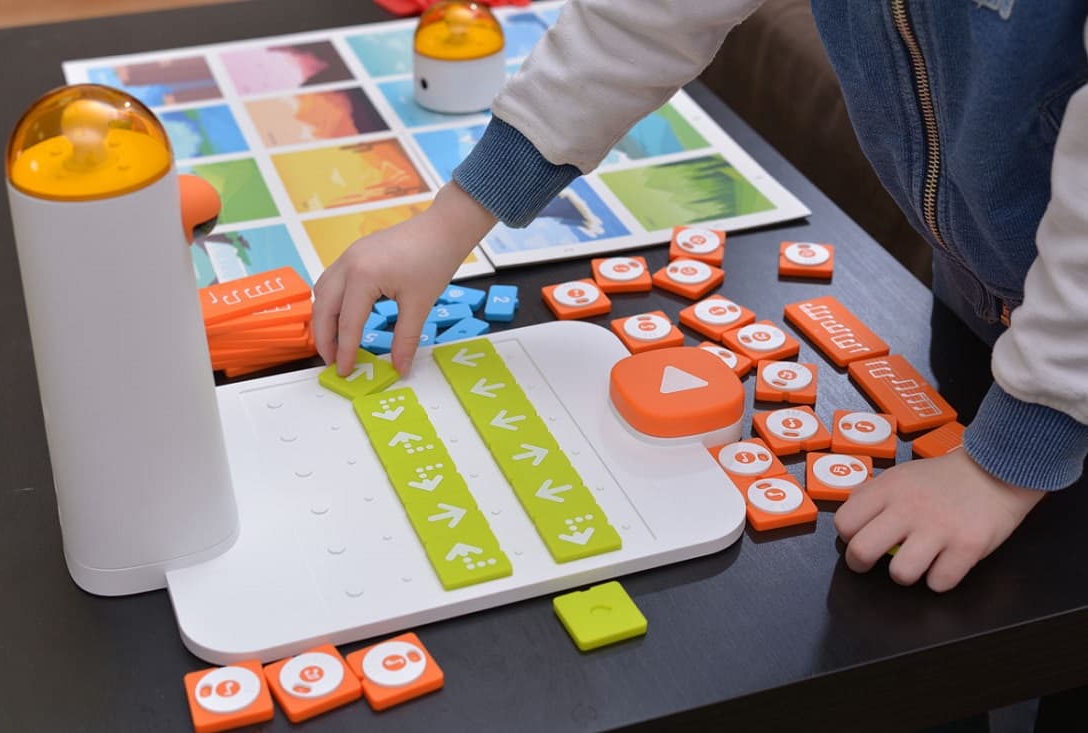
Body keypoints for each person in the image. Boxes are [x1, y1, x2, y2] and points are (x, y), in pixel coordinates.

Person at [312, 0, 1088, 593]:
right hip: (979, 298)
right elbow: (644, 18)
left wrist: (1007, 460)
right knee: (944, 598)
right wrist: (456, 217)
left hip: (1064, 346)